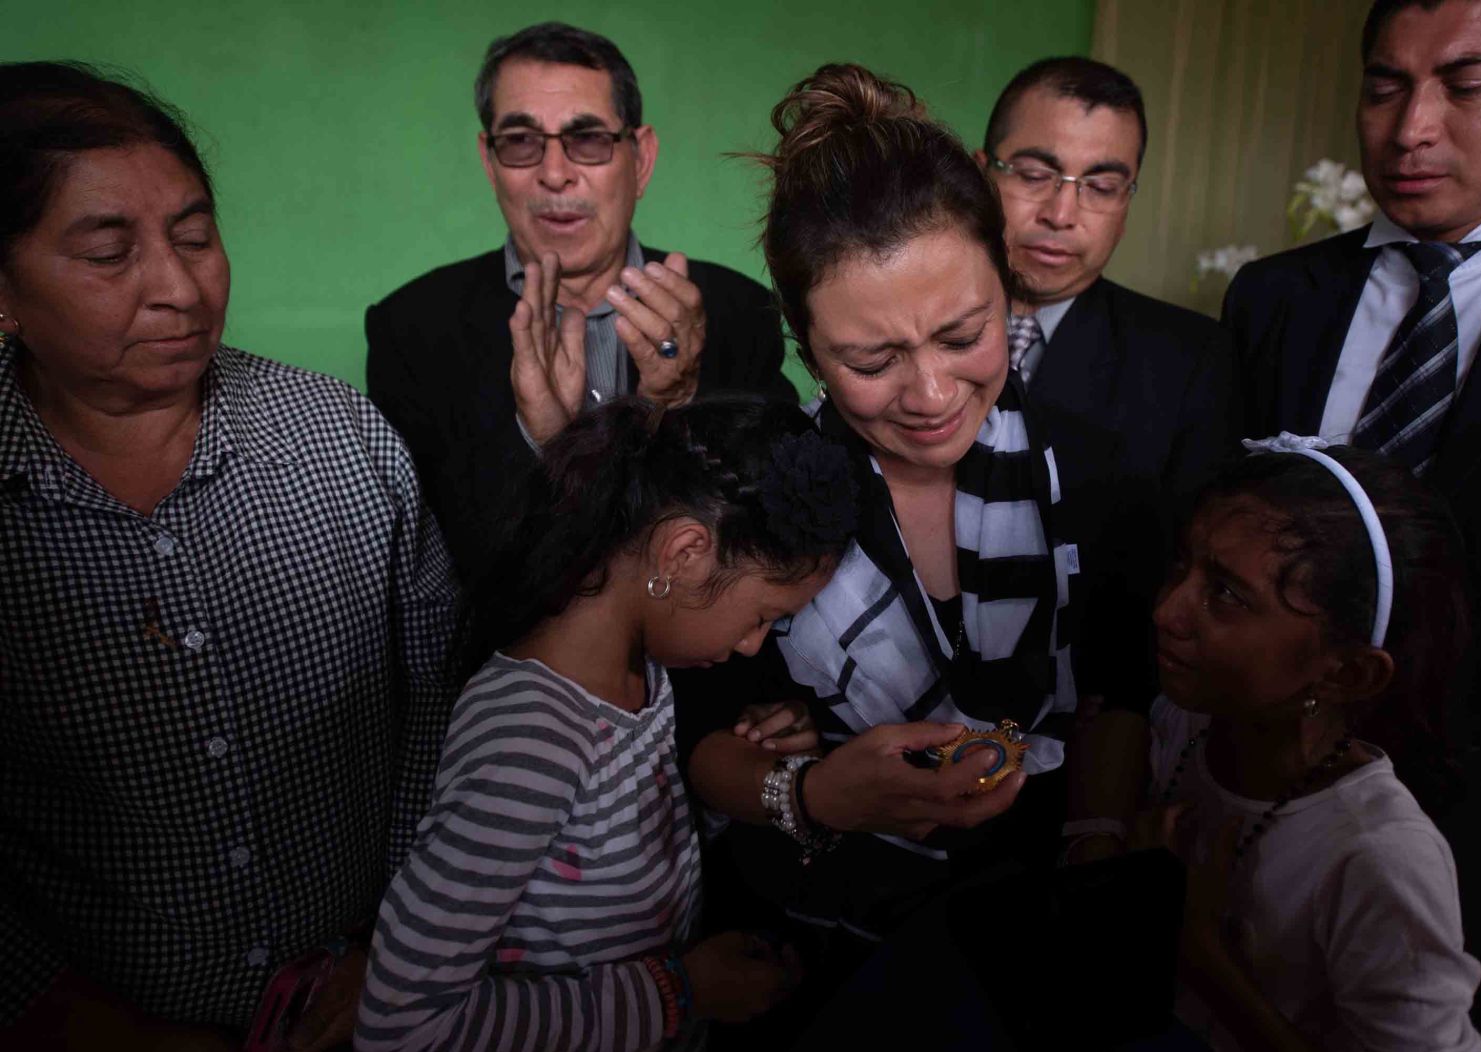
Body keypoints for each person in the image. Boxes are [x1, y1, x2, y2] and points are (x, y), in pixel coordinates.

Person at [673, 63, 1160, 1048]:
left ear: (1004, 287)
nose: (931, 392)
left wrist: (1094, 850)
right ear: (804, 347)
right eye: (871, 359)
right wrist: (814, 793)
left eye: (962, 334)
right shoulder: (756, 489)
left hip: (1034, 946)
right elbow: (699, 740)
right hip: (807, 957)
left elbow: (1117, 689)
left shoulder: (1095, 468)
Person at [0, 63, 462, 1050]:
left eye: (196, 236)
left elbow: (439, 710)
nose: (180, 287)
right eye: (107, 251)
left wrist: (400, 946)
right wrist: (71, 1017)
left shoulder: (343, 441)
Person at [1223, 1, 1481, 1043]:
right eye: (1383, 86)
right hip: (1254, 816)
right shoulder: (1273, 300)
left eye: (1465, 85)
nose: (1410, 126)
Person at [355, 397, 858, 1051]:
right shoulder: (529, 738)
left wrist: (742, 767)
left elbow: (607, 852)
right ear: (683, 553)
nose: (752, 646)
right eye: (761, 614)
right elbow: (401, 1026)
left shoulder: (642, 678)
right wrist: (682, 991)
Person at [365, 22, 797, 584]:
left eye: (587, 139)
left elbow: (774, 544)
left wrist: (672, 404)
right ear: (489, 160)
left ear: (640, 160)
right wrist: (545, 446)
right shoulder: (413, 329)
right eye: (521, 141)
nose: (553, 173)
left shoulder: (739, 311)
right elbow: (443, 577)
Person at [1131, 436, 1481, 1050]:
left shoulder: (1380, 859)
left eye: (1227, 595)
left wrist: (1202, 955)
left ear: (1347, 674)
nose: (1169, 611)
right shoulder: (1192, 720)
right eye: (1182, 566)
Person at [978, 57, 1237, 506]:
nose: (1061, 214)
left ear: (1127, 202)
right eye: (1035, 176)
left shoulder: (1189, 363)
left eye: (1100, 188)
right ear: (980, 175)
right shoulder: (900, 315)